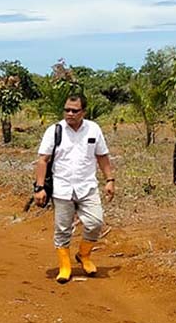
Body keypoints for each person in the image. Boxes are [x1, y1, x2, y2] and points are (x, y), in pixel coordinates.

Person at [32, 93, 116, 283]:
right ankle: (65, 265)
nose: (69, 114)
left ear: (83, 112)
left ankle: (84, 255)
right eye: (67, 110)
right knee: (63, 228)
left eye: (74, 110)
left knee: (95, 222)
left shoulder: (93, 129)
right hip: (62, 187)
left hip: (87, 186)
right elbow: (43, 160)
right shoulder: (54, 131)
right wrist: (39, 188)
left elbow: (102, 156)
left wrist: (109, 179)